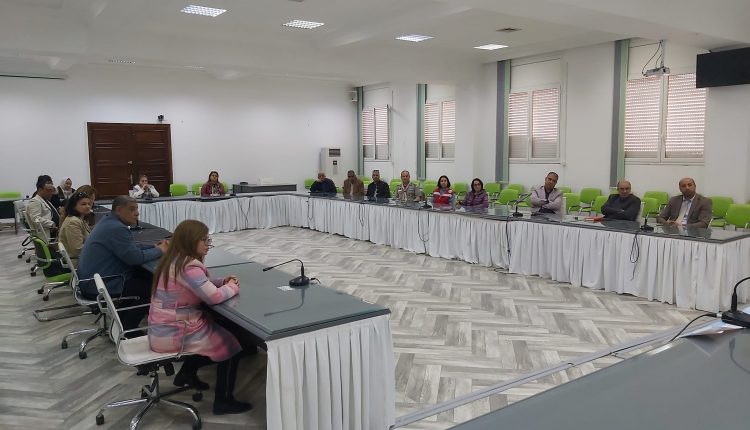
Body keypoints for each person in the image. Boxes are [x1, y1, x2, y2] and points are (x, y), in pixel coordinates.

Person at [148, 220, 252, 415]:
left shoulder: (175, 260)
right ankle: (223, 402)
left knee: (217, 330)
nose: (207, 244)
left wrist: (221, 281)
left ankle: (187, 373)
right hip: (175, 332)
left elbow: (200, 284)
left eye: (208, 239)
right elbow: (214, 297)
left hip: (162, 328)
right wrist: (232, 286)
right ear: (190, 241)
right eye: (203, 240)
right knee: (231, 346)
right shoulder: (189, 267)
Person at [78, 196, 168, 331]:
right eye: (132, 209)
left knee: (145, 277)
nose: (137, 213)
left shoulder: (108, 222)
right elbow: (135, 258)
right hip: (102, 284)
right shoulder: (117, 228)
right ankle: (127, 329)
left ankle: (119, 323)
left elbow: (130, 248)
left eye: (137, 209)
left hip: (93, 280)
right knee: (152, 289)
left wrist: (153, 246)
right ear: (119, 210)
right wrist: (160, 250)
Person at [58, 191, 93, 267]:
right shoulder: (73, 222)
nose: (88, 206)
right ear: (74, 206)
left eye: (89, 204)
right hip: (78, 262)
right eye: (83, 204)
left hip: (82, 258)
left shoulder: (80, 219)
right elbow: (77, 250)